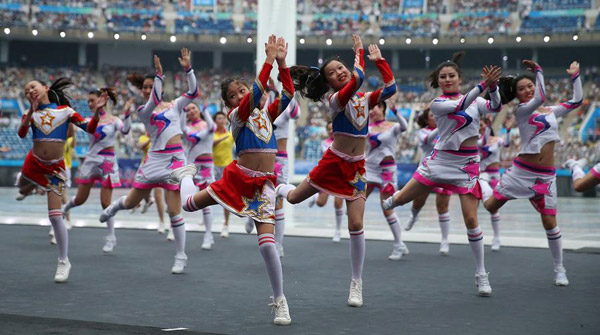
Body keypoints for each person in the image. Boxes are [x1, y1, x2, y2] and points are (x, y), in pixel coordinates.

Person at [167, 35, 293, 325]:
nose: (241, 95)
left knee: (266, 244)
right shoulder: (239, 115)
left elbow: (287, 94)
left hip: (263, 185)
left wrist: (283, 62)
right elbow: (257, 91)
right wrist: (269, 59)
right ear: (229, 105)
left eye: (243, 90)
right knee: (187, 205)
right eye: (234, 94)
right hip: (237, 179)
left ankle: (280, 300)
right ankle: (187, 174)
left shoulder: (267, 114)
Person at [277, 35, 398, 307]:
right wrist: (357, 53)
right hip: (333, 163)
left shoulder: (365, 99)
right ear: (329, 82)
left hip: (357, 168)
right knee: (294, 198)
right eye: (332, 73)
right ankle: (276, 186)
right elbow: (356, 79)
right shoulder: (335, 100)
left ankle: (356, 283)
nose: (339, 73)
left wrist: (380, 61)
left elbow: (390, 89)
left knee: (356, 224)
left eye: (340, 68)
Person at [383, 52, 502, 296]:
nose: (447, 79)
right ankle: (394, 198)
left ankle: (481, 274)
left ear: (459, 78)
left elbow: (495, 106)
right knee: (401, 200)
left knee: (471, 220)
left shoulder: (477, 101)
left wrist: (493, 88)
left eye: (452, 76)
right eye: (443, 77)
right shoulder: (438, 104)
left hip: (467, 164)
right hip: (440, 161)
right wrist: (482, 86)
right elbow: (460, 105)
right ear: (438, 82)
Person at [481, 60, 582, 287]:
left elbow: (576, 100)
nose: (527, 91)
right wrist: (538, 71)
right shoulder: (522, 110)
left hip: (545, 176)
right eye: (522, 88)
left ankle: (559, 269)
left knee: (549, 221)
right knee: (490, 206)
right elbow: (541, 98)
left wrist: (575, 76)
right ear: (516, 94)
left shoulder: (551, 111)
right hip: (521, 172)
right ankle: (482, 183)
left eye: (530, 86)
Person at [99, 48, 198, 274]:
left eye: (150, 85)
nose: (147, 90)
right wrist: (159, 77)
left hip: (175, 159)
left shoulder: (176, 105)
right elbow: (154, 101)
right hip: (154, 160)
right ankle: (115, 206)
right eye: (144, 87)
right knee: (131, 202)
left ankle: (181, 255)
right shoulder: (145, 110)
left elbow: (193, 91)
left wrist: (188, 68)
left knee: (176, 211)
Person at [18, 77, 104, 282]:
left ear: (45, 88)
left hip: (55, 168)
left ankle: (64, 261)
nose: (30, 90)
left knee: (55, 216)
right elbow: (21, 134)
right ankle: (28, 185)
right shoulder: (30, 114)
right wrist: (30, 111)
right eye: (26, 89)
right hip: (34, 162)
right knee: (21, 187)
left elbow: (89, 128)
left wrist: (98, 112)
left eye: (33, 86)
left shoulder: (65, 111)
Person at [61, 89, 132, 253]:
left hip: (107, 161)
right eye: (89, 102)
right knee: (79, 199)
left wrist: (127, 113)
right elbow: (88, 129)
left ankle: (111, 237)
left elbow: (126, 130)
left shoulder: (114, 120)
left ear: (102, 101)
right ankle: (64, 210)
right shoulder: (87, 120)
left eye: (92, 100)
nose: (90, 104)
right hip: (91, 160)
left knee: (105, 203)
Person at [404, 106, 454, 255]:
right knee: (418, 201)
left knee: (442, 206)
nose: (436, 117)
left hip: (445, 171)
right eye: (433, 115)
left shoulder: (448, 132)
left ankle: (445, 240)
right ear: (426, 119)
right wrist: (443, 126)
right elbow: (427, 140)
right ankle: (413, 215)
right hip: (426, 172)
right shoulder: (422, 132)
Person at [364, 96, 409, 260]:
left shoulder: (393, 126)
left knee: (387, 208)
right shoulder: (366, 127)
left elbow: (404, 126)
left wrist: (395, 110)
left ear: (383, 108)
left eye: (376, 107)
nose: (373, 110)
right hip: (369, 169)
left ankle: (399, 244)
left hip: (387, 171)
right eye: (370, 108)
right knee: (357, 200)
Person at [183, 101, 216, 250]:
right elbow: (191, 137)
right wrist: (182, 114)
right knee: (185, 200)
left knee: (206, 201)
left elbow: (211, 127)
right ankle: (174, 227)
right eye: (188, 110)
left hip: (207, 167)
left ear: (199, 109)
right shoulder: (187, 128)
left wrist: (206, 112)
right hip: (192, 167)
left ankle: (208, 234)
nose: (191, 111)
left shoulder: (209, 124)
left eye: (193, 108)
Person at [307, 121, 345, 242]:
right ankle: (315, 197)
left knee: (338, 203)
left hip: (341, 176)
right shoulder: (325, 143)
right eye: (328, 129)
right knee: (321, 203)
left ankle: (338, 231)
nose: (330, 131)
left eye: (332, 129)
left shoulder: (344, 141)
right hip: (329, 176)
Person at [477, 116, 510, 251]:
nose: (481, 127)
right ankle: (475, 236)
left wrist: (508, 130)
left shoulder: (496, 140)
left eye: (483, 125)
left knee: (494, 207)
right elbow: (485, 153)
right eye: (479, 125)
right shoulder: (477, 141)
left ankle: (496, 238)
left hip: (494, 175)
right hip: (481, 175)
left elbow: (507, 143)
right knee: (474, 206)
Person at [136, 132, 167, 236]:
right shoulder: (144, 137)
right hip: (145, 167)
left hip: (158, 168)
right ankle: (146, 201)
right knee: (140, 191)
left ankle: (162, 222)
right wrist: (150, 139)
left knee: (158, 196)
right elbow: (140, 146)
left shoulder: (161, 137)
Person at [212, 111, 234, 237]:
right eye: (218, 118)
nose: (221, 120)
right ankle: (206, 217)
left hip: (226, 167)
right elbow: (210, 144)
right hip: (213, 167)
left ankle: (226, 223)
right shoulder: (211, 134)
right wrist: (223, 138)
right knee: (208, 192)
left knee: (226, 196)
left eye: (223, 118)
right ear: (215, 121)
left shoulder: (230, 134)